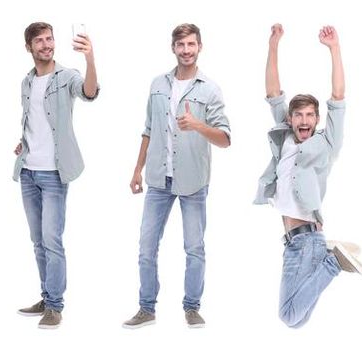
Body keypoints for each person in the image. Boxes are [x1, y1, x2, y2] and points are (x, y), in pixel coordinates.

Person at [256, 24, 362, 328]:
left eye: (309, 116)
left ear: (317, 119)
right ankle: (332, 259)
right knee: (297, 320)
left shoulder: (326, 144)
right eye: (298, 115)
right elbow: (273, 91)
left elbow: (339, 96)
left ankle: (333, 262)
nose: (303, 120)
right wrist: (274, 45)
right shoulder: (285, 138)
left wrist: (334, 49)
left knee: (288, 315)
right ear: (290, 119)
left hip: (307, 241)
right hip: (293, 241)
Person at [124, 23, 230, 330]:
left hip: (193, 180)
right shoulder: (158, 84)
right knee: (146, 246)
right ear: (173, 47)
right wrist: (137, 169)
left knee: (194, 247)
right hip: (158, 179)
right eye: (181, 44)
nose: (186, 50)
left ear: (200, 47)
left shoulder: (209, 89)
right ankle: (146, 308)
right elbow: (148, 129)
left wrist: (197, 125)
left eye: (191, 44)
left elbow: (225, 139)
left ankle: (192, 307)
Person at [10, 21, 100, 330]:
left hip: (54, 174)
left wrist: (90, 58)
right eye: (40, 40)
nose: (47, 44)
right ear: (29, 47)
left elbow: (89, 93)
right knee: (37, 241)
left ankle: (55, 307)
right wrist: (24, 143)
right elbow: (33, 121)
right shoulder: (26, 82)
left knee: (52, 239)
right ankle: (46, 297)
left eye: (50, 39)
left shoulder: (68, 76)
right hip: (28, 172)